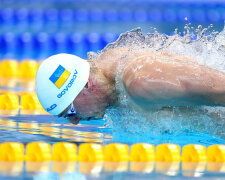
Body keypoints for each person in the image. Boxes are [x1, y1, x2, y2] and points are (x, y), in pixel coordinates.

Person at [36, 46, 225, 125]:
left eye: (70, 112)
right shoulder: (111, 84)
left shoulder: (141, 82)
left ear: (86, 84)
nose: (74, 122)